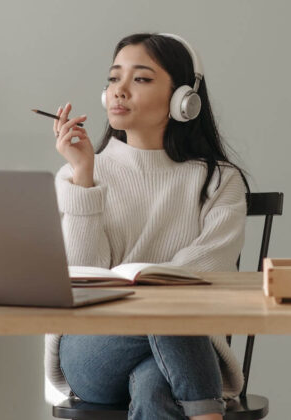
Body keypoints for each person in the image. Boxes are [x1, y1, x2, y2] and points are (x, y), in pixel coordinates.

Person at [44, 33, 250, 420]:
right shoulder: (77, 176)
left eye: (140, 79)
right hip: (93, 351)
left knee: (155, 382)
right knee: (170, 308)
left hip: (184, 347)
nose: (119, 90)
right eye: (113, 78)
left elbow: (210, 270)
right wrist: (85, 178)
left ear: (183, 99)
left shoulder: (220, 181)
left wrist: (149, 291)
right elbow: (80, 276)